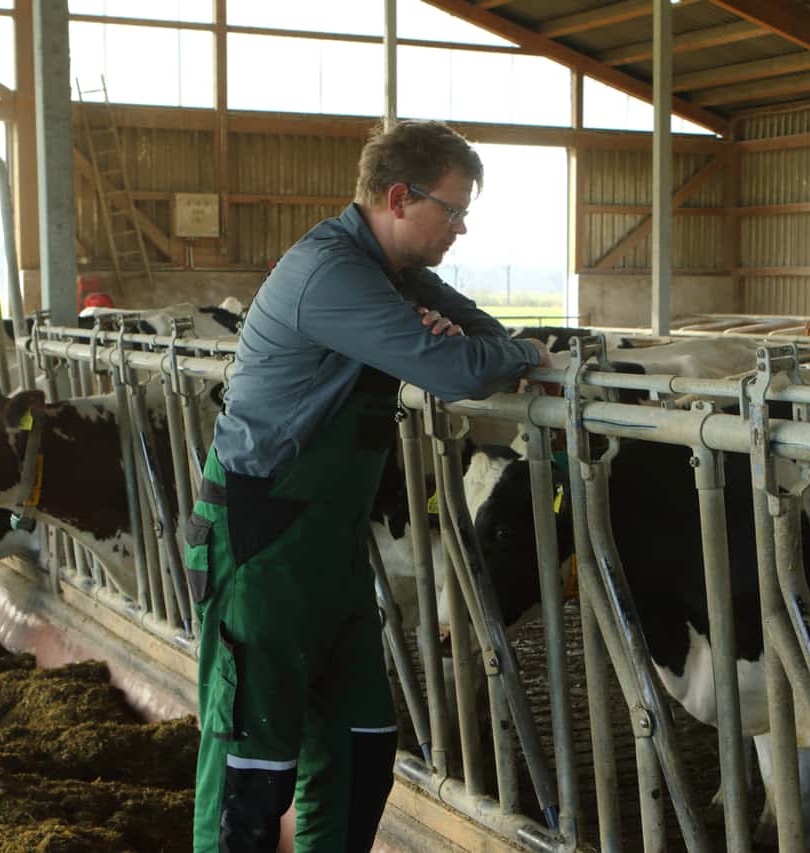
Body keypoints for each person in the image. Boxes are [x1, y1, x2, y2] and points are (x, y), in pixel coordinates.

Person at [186, 119, 551, 852]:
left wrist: (499, 349)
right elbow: (456, 370)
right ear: (397, 197)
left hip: (333, 555)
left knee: (361, 745)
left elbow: (481, 336)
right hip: (263, 548)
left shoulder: (397, 274)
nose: (461, 228)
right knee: (250, 771)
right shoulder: (332, 273)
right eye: (453, 210)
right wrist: (510, 352)